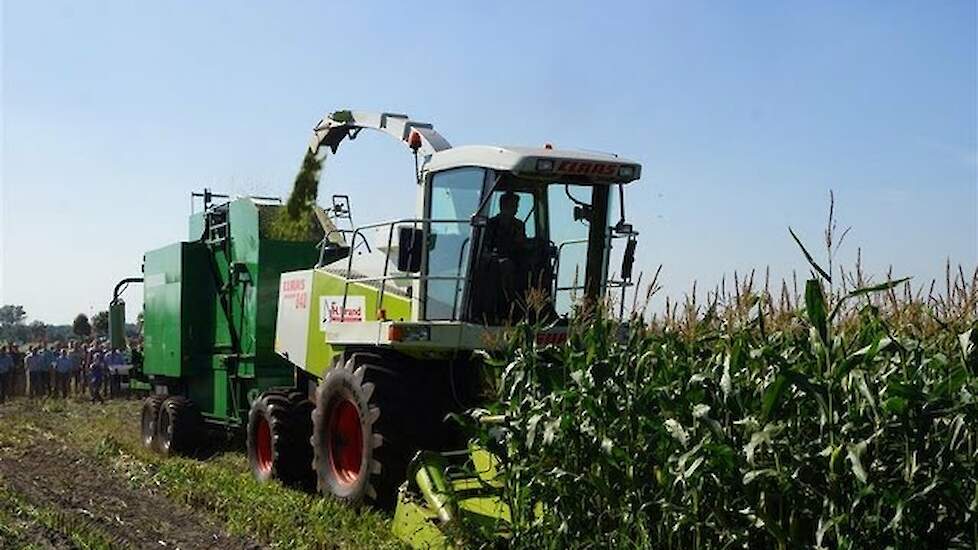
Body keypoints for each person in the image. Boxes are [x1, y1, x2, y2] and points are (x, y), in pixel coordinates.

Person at [484, 191, 527, 259]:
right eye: (513, 206)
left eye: (516, 206)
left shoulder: (519, 225)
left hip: (516, 260)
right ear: (503, 206)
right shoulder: (491, 224)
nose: (516, 210)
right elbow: (486, 246)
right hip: (495, 261)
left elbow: (522, 244)